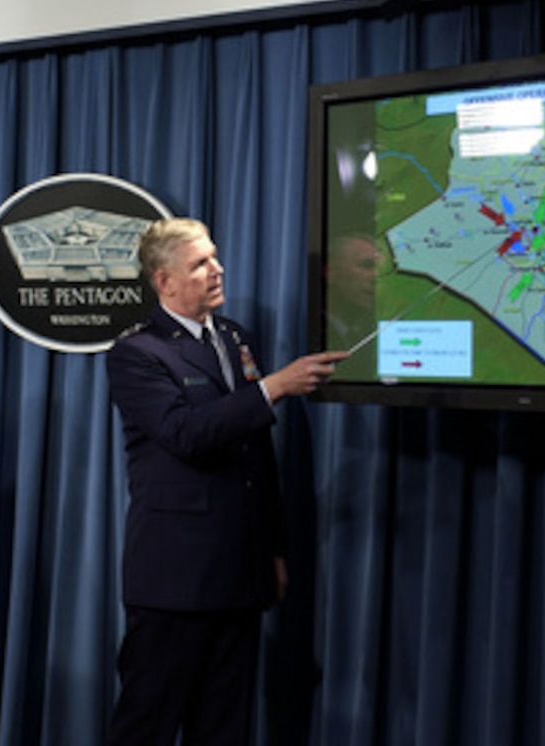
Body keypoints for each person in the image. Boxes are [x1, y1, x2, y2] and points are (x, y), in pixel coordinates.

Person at [105, 217, 348, 745]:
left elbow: (258, 459)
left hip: (240, 574)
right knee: (146, 724)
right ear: (164, 281)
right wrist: (275, 388)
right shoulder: (137, 352)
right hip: (174, 581)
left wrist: (274, 551)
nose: (217, 270)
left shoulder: (236, 337)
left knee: (224, 729)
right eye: (199, 264)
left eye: (214, 257)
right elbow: (183, 432)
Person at [325, 232, 379, 378]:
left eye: (380, 268)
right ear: (330, 272)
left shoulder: (374, 333)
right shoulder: (309, 334)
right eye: (366, 265)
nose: (376, 277)